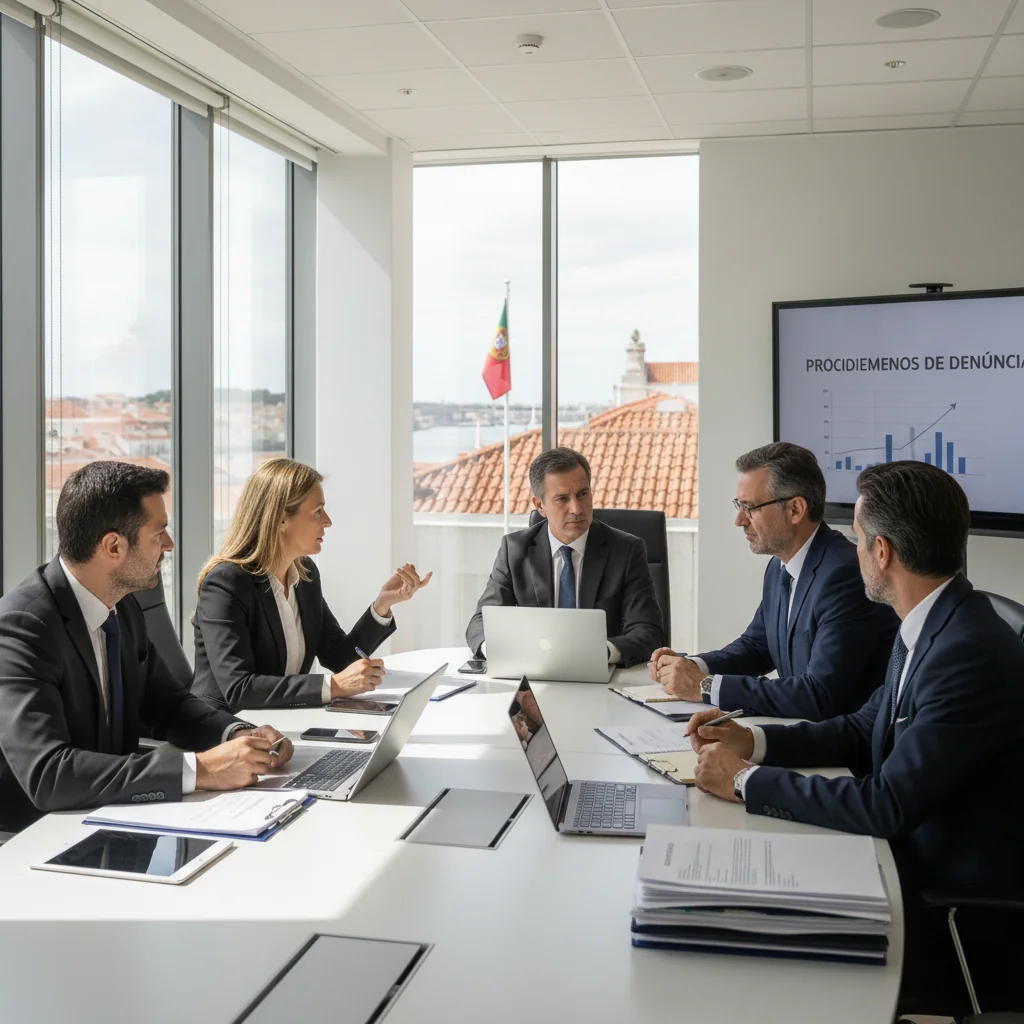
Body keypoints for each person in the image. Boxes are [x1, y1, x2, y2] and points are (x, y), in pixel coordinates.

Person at [687, 461, 1024, 1014]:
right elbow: (863, 726)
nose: (851, 548)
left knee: (748, 952)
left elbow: (886, 804)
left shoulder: (966, 652)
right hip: (899, 857)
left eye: (858, 537)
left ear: (882, 551)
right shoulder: (930, 621)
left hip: (943, 904)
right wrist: (754, 741)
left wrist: (745, 781)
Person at [0, 462, 294, 835]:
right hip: (36, 835)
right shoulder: (24, 627)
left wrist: (237, 735)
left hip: (114, 814)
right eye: (159, 533)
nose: (169, 544)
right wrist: (202, 770)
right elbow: (49, 774)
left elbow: (168, 704)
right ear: (114, 546)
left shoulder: (122, 606)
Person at [649, 442, 898, 719]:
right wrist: (691, 666)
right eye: (739, 505)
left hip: (842, 740)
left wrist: (704, 686)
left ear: (795, 510)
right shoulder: (779, 566)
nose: (739, 520)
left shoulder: (845, 575)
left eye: (750, 508)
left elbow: (818, 695)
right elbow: (757, 647)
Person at [192, 458, 431, 713]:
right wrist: (333, 686)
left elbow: (339, 658)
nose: (327, 521)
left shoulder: (305, 575)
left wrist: (382, 605)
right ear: (281, 519)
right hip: (226, 727)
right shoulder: (226, 583)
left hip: (283, 721)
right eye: (318, 511)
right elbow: (239, 688)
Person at [466, 447, 665, 668]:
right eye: (562, 499)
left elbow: (648, 631)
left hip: (601, 674)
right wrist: (496, 650)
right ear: (540, 505)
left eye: (583, 494)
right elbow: (481, 622)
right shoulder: (514, 550)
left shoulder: (626, 550)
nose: (576, 509)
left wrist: (600, 653)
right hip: (534, 673)